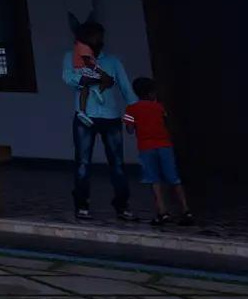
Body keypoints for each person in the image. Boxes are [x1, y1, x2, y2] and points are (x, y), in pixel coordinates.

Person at [61, 21, 136, 221]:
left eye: (100, 37)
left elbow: (126, 88)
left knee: (117, 164)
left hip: (110, 117)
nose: (98, 40)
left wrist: (134, 114)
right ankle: (82, 205)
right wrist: (85, 79)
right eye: (94, 36)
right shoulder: (73, 57)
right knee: (83, 163)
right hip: (84, 117)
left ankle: (122, 205)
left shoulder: (112, 61)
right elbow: (68, 78)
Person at [123, 78, 194, 226]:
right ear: (151, 93)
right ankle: (186, 210)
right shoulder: (159, 107)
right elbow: (165, 123)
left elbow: (129, 130)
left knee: (154, 180)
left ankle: (162, 212)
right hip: (164, 145)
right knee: (174, 179)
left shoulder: (131, 109)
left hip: (146, 148)